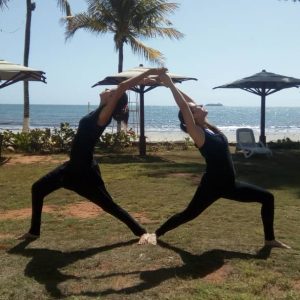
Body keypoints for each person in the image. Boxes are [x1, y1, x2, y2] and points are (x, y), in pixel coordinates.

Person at [18, 67, 167, 244]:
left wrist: (150, 72)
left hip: (84, 172)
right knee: (38, 189)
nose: (107, 90)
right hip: (71, 167)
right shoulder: (99, 111)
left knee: (108, 205)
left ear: (113, 100)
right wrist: (146, 79)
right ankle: (34, 231)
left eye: (111, 91)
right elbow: (120, 90)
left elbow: (122, 87)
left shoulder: (104, 116)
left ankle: (141, 231)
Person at [144, 73, 290, 248]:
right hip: (212, 186)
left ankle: (270, 240)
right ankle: (157, 233)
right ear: (192, 117)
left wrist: (169, 86)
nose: (199, 105)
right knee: (189, 214)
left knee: (268, 198)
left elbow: (188, 103)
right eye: (196, 107)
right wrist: (169, 83)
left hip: (229, 185)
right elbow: (184, 106)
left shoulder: (208, 127)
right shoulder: (197, 133)